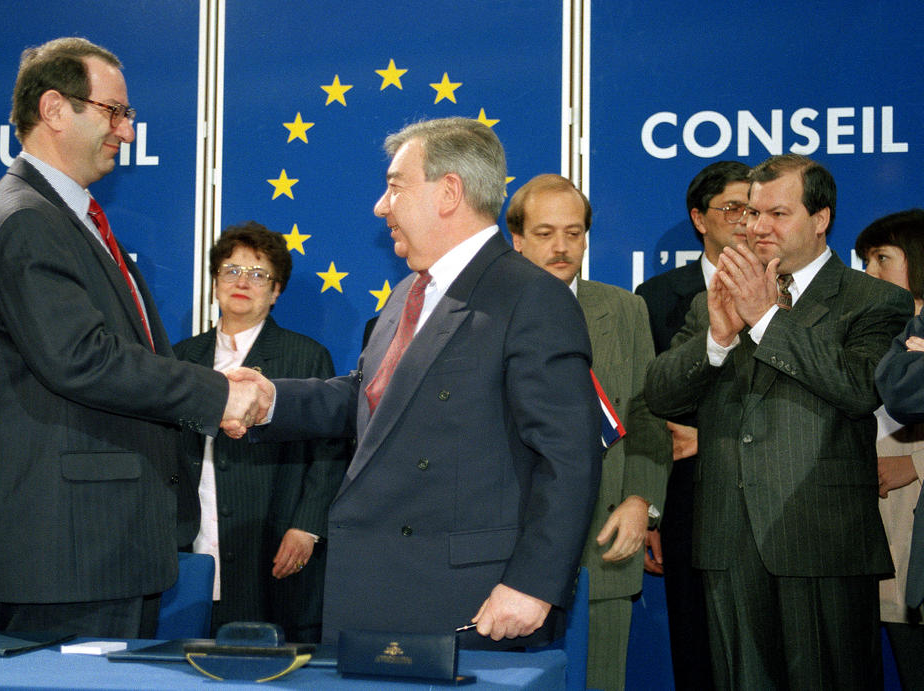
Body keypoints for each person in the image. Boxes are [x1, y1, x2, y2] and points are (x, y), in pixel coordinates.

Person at [236, 117, 603, 647]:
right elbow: (372, 400)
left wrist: (531, 585)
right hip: (378, 591)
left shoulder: (531, 297)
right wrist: (270, 400)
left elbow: (570, 457)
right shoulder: (406, 293)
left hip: (468, 603)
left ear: (448, 191)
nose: (381, 206)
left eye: (394, 187)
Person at [0, 37, 256, 638]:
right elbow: (82, 359)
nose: (126, 131)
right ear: (53, 109)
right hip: (69, 553)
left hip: (104, 548)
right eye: (113, 111)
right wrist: (216, 394)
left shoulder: (68, 217)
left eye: (128, 115)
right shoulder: (25, 219)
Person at [645, 154, 913, 688]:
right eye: (750, 213)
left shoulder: (875, 300)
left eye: (777, 213)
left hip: (822, 543)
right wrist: (718, 338)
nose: (757, 226)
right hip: (726, 540)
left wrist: (766, 318)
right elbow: (661, 394)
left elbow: (861, 389)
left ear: (821, 219)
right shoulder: (713, 298)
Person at [506, 174, 670, 690]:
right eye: (546, 233)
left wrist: (642, 498)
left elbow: (647, 415)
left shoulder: (624, 310)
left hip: (604, 544)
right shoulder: (485, 312)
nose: (561, 247)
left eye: (574, 233)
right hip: (508, 551)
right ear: (517, 239)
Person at [175, 222, 347, 642]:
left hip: (271, 540)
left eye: (258, 275)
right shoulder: (181, 359)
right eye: (231, 270)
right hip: (191, 542)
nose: (242, 282)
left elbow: (331, 452)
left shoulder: (306, 357)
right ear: (215, 282)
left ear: (276, 292)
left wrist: (306, 527)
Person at [634, 159, 749, 690]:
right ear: (699, 219)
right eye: (732, 209)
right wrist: (651, 510)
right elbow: (642, 406)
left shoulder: (789, 289)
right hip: (686, 500)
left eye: (756, 209)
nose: (746, 221)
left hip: (771, 502)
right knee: (695, 649)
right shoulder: (655, 298)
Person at [858, 209, 924, 688]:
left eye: (882, 258)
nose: (869, 273)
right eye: (865, 261)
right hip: (875, 532)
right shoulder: (875, 326)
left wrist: (918, 464)